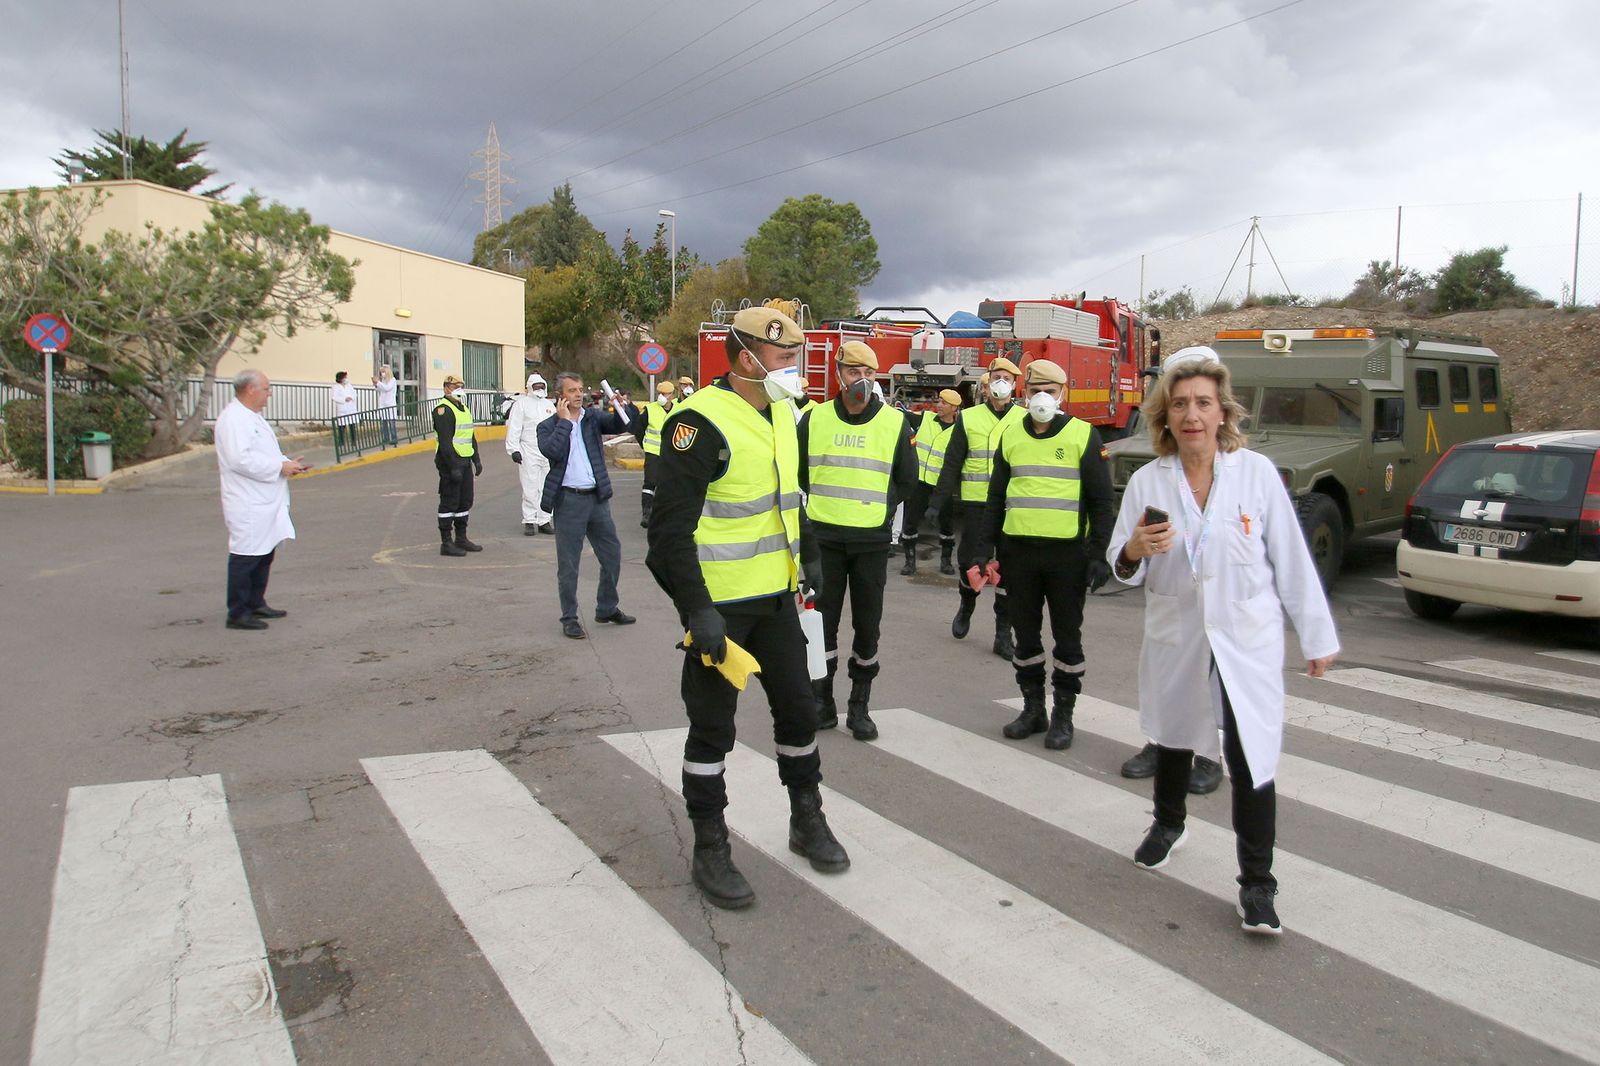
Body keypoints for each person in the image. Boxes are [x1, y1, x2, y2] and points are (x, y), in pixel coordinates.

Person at [1109, 347, 1339, 936]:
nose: (1192, 415)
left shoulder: (1256, 475)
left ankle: (1257, 885)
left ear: (1222, 412)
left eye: (1203, 403)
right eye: (1180, 404)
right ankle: (1167, 824)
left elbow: (1290, 558)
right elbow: (1118, 562)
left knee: (1249, 755)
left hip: (1245, 636)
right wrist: (1135, 550)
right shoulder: (1146, 480)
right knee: (1173, 733)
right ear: (1165, 415)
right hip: (1178, 629)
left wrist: (1315, 635)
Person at [646, 305, 848, 910]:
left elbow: (790, 497)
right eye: (787, 358)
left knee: (800, 714)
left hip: (777, 600)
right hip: (720, 611)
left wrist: (808, 552)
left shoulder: (785, 413)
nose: (797, 369)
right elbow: (668, 535)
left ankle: (805, 820)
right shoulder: (698, 423)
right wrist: (695, 609)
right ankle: (710, 845)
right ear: (747, 359)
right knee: (713, 730)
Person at [976, 359, 1114, 747]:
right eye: (1036, 390)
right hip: (1019, 554)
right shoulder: (1011, 437)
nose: (1042, 398)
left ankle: (1064, 717)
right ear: (1024, 392)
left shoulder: (1083, 436)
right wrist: (983, 549)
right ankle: (1033, 709)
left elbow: (1102, 502)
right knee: (1026, 638)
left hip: (1067, 558)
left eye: (1050, 392)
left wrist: (1098, 553)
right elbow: (995, 498)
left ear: (1062, 395)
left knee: (1067, 639)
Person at [798, 340, 918, 741]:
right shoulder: (812, 420)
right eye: (854, 372)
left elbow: (907, 479)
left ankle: (859, 707)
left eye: (869, 374)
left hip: (870, 543)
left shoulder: (894, 423)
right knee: (823, 626)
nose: (861, 381)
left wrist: (881, 511)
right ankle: (822, 703)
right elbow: (799, 474)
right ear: (838, 374)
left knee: (867, 627)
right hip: (824, 540)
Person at [931, 356, 1026, 658]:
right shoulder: (969, 418)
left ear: (1014, 385)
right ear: (986, 384)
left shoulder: (1024, 419)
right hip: (976, 506)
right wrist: (937, 502)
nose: (1001, 382)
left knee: (1009, 570)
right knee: (970, 564)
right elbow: (951, 464)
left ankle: (1002, 633)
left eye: (1007, 378)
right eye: (996, 376)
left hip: (1012, 507)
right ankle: (966, 605)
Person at [536, 371, 638, 639]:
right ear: (560, 396)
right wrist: (564, 422)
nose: (579, 394)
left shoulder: (592, 418)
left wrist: (620, 405)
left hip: (597, 499)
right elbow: (552, 451)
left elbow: (621, 425)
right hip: (569, 501)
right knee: (569, 565)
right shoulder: (547, 426)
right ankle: (569, 618)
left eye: (580, 389)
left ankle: (606, 607)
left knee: (612, 555)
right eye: (572, 391)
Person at [215, 369, 308, 630]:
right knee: (246, 555)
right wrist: (278, 468)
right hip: (247, 501)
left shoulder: (253, 417)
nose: (270, 393)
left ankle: (256, 601)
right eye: (266, 388)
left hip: (265, 497)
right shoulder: (234, 419)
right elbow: (239, 460)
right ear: (250, 389)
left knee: (264, 552)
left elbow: (265, 453)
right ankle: (237, 611)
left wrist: (286, 463)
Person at [899, 388, 961, 576]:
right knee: (910, 522)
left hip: (942, 486)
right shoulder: (925, 418)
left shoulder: (959, 431)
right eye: (939, 401)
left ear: (954, 408)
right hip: (920, 483)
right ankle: (910, 562)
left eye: (944, 403)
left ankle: (946, 561)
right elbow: (903, 416)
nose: (939, 405)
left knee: (947, 524)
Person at [434, 374, 483, 557]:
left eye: (461, 386)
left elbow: (470, 435)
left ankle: (461, 538)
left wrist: (476, 459)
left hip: (464, 460)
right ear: (446, 388)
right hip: (449, 462)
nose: (459, 389)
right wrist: (453, 466)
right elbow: (445, 442)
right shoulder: (443, 410)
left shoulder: (463, 408)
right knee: (449, 501)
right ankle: (446, 542)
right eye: (455, 386)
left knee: (465, 500)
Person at [506, 371, 557, 535]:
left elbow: (556, 427)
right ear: (529, 387)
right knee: (530, 486)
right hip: (528, 450)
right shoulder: (521, 404)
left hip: (547, 452)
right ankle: (529, 520)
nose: (539, 388)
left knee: (547, 487)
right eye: (536, 386)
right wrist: (513, 449)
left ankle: (544, 520)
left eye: (542, 386)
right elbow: (514, 428)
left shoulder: (549, 405)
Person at [635, 380, 679, 529]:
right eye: (660, 393)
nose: (662, 396)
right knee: (650, 484)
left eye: (665, 394)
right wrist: (645, 445)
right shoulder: (650, 410)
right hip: (653, 453)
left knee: (671, 484)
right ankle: (647, 513)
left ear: (672, 395)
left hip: (673, 454)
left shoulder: (680, 409)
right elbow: (638, 430)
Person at [371, 365, 399, 446]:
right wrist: (376, 384)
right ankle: (386, 438)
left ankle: (394, 438)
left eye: (383, 372)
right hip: (383, 404)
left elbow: (387, 388)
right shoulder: (383, 381)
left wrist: (378, 383)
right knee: (384, 422)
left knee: (391, 422)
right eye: (381, 372)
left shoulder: (392, 380)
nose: (382, 374)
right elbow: (380, 389)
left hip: (390, 404)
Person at [331, 371, 358, 449]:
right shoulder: (336, 387)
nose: (346, 379)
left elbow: (354, 394)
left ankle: (353, 441)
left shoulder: (349, 386)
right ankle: (341, 442)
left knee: (352, 425)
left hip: (351, 408)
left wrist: (351, 398)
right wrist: (344, 399)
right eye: (345, 377)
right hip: (342, 408)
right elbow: (334, 397)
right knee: (342, 426)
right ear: (341, 378)